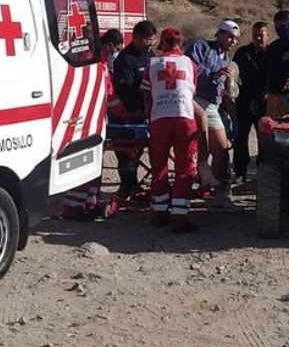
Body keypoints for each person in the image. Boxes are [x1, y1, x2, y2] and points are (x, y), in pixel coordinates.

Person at [140, 28, 202, 233]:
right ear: (179, 44)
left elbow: (147, 96)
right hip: (185, 118)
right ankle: (179, 217)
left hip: (159, 119)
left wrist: (150, 118)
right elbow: (192, 91)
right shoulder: (190, 64)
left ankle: (158, 213)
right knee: (185, 169)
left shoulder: (152, 64)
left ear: (164, 44)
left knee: (159, 167)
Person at [63, 29, 126, 219]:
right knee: (87, 162)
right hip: (90, 120)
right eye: (116, 49)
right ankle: (74, 206)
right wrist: (126, 114)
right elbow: (110, 96)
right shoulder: (98, 65)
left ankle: (89, 202)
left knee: (91, 163)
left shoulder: (83, 57)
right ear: (108, 45)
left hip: (78, 118)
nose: (116, 53)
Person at [185, 19, 240, 187]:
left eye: (236, 38)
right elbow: (189, 68)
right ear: (220, 34)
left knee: (221, 149)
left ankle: (214, 185)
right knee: (208, 143)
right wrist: (212, 75)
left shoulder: (226, 59)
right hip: (197, 98)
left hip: (213, 103)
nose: (233, 41)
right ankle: (205, 176)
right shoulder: (202, 47)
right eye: (230, 37)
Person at [111, 20, 157, 198]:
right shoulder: (125, 59)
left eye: (153, 39)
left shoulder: (150, 55)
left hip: (147, 111)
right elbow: (124, 89)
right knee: (126, 154)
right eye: (148, 39)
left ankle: (133, 186)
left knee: (138, 153)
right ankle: (127, 187)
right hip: (127, 114)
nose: (151, 43)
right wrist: (136, 109)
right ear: (137, 38)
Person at [232, 21, 269, 181]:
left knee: (265, 139)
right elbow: (234, 76)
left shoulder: (272, 53)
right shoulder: (242, 53)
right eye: (255, 35)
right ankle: (240, 171)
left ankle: (264, 171)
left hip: (264, 103)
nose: (259, 38)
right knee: (240, 138)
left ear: (268, 35)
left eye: (262, 34)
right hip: (244, 102)